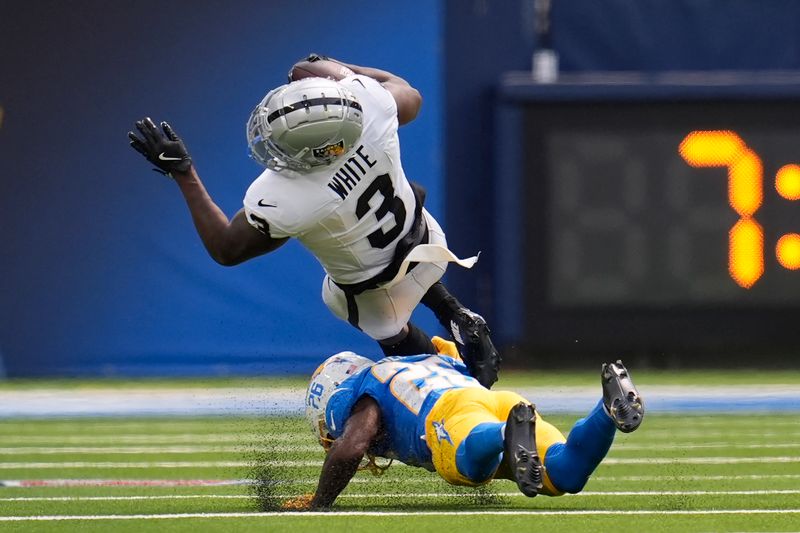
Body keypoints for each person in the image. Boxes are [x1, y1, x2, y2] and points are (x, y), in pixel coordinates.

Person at [127, 54, 500, 388]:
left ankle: (439, 383)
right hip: (425, 239)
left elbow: (226, 249)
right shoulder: (369, 107)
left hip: (375, 291)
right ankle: (454, 312)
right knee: (399, 242)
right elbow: (408, 94)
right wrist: (343, 70)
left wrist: (183, 172)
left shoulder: (287, 195)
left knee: (380, 325)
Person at [287, 339, 644, 509]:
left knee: (465, 470)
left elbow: (353, 444)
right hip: (495, 401)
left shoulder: (364, 393)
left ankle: (506, 435)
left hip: (451, 415)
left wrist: (319, 501)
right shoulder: (422, 357)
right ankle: (608, 409)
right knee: (566, 473)